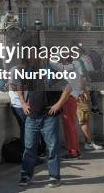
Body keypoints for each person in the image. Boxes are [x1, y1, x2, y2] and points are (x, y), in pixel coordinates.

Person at [18, 58, 71, 188]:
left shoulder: (52, 71)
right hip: (32, 116)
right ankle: (26, 176)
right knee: (29, 147)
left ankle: (54, 177)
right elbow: (18, 86)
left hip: (49, 117)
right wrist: (23, 104)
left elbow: (68, 87)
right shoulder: (29, 72)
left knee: (52, 148)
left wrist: (58, 104)